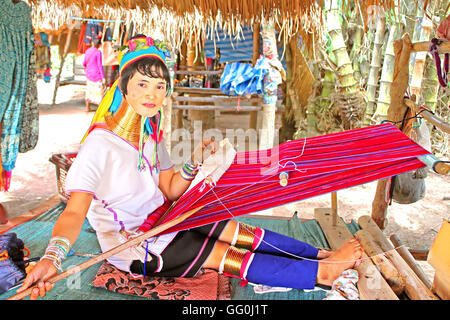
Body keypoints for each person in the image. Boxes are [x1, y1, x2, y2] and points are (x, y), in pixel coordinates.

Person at [18, 35, 363, 300]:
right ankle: (323, 274)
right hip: (139, 245)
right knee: (225, 254)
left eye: (160, 86)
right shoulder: (99, 145)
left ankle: (322, 254)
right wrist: (53, 257)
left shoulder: (150, 134)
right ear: (122, 86)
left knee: (239, 232)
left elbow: (169, 189)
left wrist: (194, 163)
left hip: (168, 217)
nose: (152, 94)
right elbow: (74, 213)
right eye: (142, 84)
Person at [82, 38, 106, 112]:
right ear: (99, 45)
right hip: (97, 75)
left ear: (92, 43)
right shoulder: (98, 52)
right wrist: (103, 77)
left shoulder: (87, 51)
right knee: (99, 92)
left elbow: (84, 63)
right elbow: (99, 65)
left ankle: (87, 108)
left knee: (89, 91)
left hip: (89, 74)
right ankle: (99, 110)